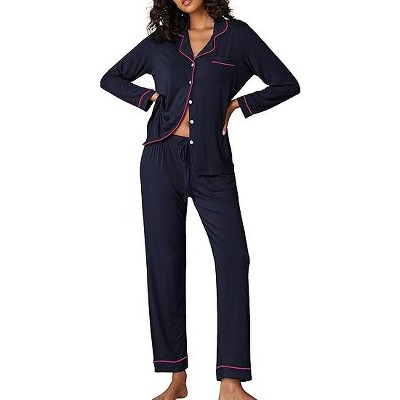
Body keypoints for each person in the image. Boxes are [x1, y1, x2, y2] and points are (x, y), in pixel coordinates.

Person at [100, 0, 300, 398]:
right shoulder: (161, 42)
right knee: (165, 263)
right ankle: (176, 378)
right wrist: (148, 98)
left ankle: (231, 381)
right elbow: (111, 78)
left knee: (233, 259)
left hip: (213, 163)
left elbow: (286, 83)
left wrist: (239, 104)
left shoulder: (237, 37)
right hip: (161, 160)